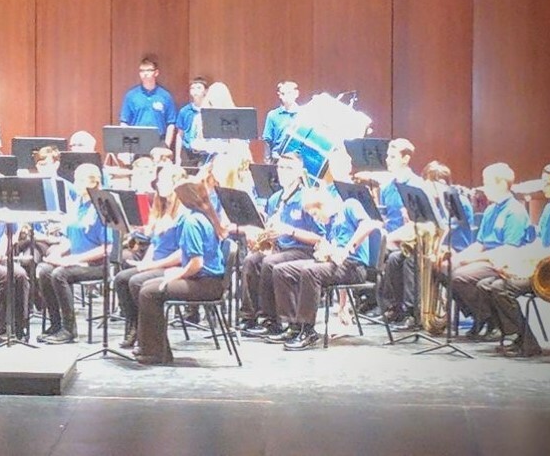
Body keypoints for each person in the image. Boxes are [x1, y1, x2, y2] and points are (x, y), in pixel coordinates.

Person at [478, 162, 550, 357]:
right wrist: (511, 262)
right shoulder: (549, 208)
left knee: (501, 288)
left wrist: (519, 267)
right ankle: (515, 336)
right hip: (545, 266)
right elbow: (539, 244)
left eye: (547, 182)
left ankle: (528, 343)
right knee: (484, 285)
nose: (542, 186)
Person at [270, 187, 380, 350]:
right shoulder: (330, 223)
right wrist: (343, 305)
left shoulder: (349, 205)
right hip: (338, 266)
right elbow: (336, 270)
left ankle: (308, 330)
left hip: (355, 266)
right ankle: (294, 326)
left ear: (323, 205)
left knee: (310, 271)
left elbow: (369, 225)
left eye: (315, 214)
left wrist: (348, 249)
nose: (316, 219)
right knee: (282, 270)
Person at [133, 180, 228, 365]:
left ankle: (155, 352)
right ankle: (152, 347)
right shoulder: (205, 215)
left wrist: (177, 274)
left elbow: (197, 263)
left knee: (149, 292)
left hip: (206, 283)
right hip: (206, 279)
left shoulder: (192, 221)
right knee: (146, 286)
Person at [239, 153, 325, 338]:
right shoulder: (275, 199)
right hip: (280, 248)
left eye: (289, 168)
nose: (283, 172)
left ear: (300, 172)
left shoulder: (306, 198)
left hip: (303, 250)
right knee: (251, 261)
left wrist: (290, 231)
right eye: (281, 167)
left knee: (270, 263)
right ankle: (249, 317)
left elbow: (320, 238)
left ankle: (274, 320)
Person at [447, 162, 532, 343]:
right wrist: (460, 257)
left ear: (501, 184)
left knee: (459, 277)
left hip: (505, 263)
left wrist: (472, 260)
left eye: (487, 183)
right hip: (489, 259)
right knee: (445, 269)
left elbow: (509, 250)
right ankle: (481, 317)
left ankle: (491, 320)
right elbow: (480, 243)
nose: (484, 188)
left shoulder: (514, 211)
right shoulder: (491, 209)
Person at [34, 164, 108, 344]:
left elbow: (107, 248)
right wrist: (57, 255)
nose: (77, 184)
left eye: (81, 180)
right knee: (44, 270)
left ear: (94, 182)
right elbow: (69, 240)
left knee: (59, 274)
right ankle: (56, 323)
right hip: (76, 260)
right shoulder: (78, 205)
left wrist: (74, 259)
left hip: (97, 265)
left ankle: (69, 328)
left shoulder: (102, 207)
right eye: (76, 179)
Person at [115, 164, 187, 349]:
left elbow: (182, 253)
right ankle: (134, 327)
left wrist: (151, 266)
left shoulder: (184, 213)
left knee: (136, 282)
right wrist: (146, 262)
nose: (158, 184)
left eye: (162, 180)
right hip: (158, 263)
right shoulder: (162, 207)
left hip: (173, 267)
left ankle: (147, 335)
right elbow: (155, 243)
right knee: (121, 279)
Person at [371, 138, 428, 331]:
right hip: (393, 238)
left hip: (412, 239)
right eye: (388, 156)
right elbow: (385, 217)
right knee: (382, 253)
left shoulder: (416, 186)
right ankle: (392, 306)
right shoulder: (387, 187)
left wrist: (390, 238)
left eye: (393, 157)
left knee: (397, 258)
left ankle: (410, 311)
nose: (388, 160)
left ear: (405, 159)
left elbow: (420, 222)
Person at [118, 56, 177, 147]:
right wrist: (127, 146)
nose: (145, 74)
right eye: (142, 71)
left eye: (148, 70)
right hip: (136, 141)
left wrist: (166, 146)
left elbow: (171, 123)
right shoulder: (131, 95)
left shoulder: (165, 96)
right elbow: (124, 122)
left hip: (158, 140)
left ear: (156, 73)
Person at [261, 81, 301, 161]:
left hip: (297, 160)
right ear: (279, 95)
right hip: (277, 159)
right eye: (283, 93)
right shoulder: (272, 115)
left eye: (289, 93)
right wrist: (267, 162)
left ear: (296, 94)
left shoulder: (303, 114)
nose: (286, 96)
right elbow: (267, 140)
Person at [175, 77, 209, 166]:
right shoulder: (185, 111)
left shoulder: (210, 111)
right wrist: (178, 157)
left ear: (206, 91)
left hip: (206, 152)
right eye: (192, 88)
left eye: (199, 88)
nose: (195, 91)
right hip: (188, 152)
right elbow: (180, 134)